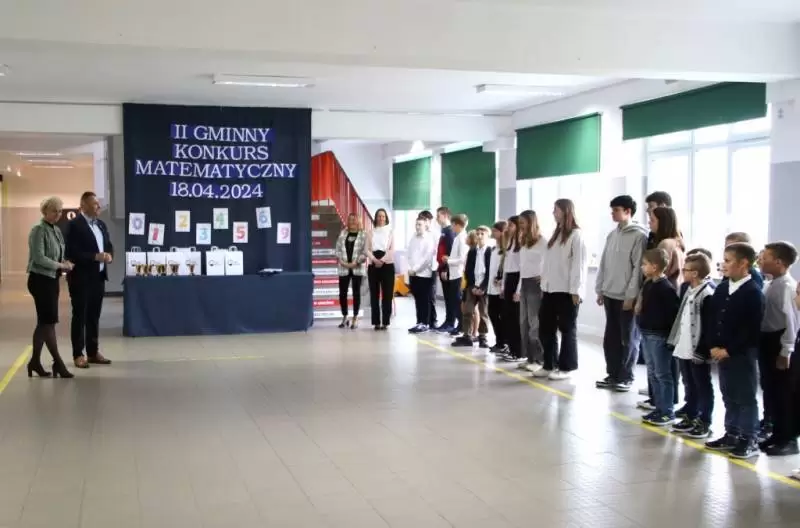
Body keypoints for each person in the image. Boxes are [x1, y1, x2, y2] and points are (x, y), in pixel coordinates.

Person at [705, 242, 765, 459]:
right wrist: (713, 345)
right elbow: (712, 319)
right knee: (728, 393)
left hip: (740, 354)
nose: (724, 265)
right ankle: (732, 433)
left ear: (743, 263)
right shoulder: (722, 288)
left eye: (728, 261)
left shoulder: (753, 293)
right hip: (720, 352)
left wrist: (729, 349)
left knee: (745, 396)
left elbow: (751, 329)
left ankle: (749, 438)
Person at [595, 195, 647, 392]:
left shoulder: (639, 236)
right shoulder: (612, 235)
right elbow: (604, 263)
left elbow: (638, 269)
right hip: (610, 293)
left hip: (626, 297)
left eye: (616, 210)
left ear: (627, 211)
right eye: (612, 210)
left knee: (628, 339)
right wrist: (600, 289)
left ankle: (626, 377)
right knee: (611, 339)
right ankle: (613, 374)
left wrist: (631, 295)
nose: (613, 213)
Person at [535, 199, 587, 380]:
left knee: (567, 329)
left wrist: (576, 290)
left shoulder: (576, 235)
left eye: (556, 210)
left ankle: (567, 368)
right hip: (550, 290)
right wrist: (544, 284)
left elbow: (579, 265)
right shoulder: (556, 235)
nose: (553, 213)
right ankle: (549, 364)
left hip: (567, 291)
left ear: (566, 211)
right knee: (545, 328)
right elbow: (549, 263)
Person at [757, 241, 799, 456]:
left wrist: (786, 350)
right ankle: (776, 433)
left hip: (779, 341)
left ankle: (788, 439)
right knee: (770, 390)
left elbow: (792, 321)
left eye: (765, 258)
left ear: (779, 262)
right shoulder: (770, 283)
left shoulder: (787, 287)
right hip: (767, 340)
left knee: (784, 393)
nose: (760, 261)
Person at [667, 253, 716, 438]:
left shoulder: (707, 294)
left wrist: (702, 350)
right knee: (689, 382)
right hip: (684, 345)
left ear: (695, 273)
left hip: (697, 349)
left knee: (702, 385)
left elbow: (708, 326)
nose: (683, 272)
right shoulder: (688, 289)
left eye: (685, 270)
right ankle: (691, 413)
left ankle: (704, 420)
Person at [26, 197, 74, 379]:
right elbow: (38, 258)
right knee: (48, 323)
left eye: (60, 211)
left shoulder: (56, 230)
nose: (58, 214)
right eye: (55, 211)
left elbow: (57, 254)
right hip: (40, 280)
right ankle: (58, 363)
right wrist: (61, 266)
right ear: (45, 211)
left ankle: (35, 362)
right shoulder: (38, 230)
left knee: (45, 323)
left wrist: (64, 262)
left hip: (52, 279)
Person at [65, 191, 114, 368]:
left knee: (94, 316)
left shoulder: (100, 224)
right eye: (95, 204)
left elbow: (108, 245)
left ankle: (93, 352)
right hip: (81, 278)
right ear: (83, 206)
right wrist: (94, 256)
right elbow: (71, 252)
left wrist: (109, 255)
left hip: (98, 278)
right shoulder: (74, 225)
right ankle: (78, 354)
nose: (99, 206)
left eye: (98, 204)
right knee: (80, 316)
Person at [638, 248, 681, 426]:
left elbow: (673, 315)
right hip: (647, 333)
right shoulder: (649, 284)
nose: (642, 267)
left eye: (645, 264)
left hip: (659, 336)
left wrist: (669, 339)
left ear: (655, 266)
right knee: (652, 372)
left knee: (662, 374)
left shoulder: (666, 288)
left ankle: (667, 410)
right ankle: (658, 406)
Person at [517, 210, 548, 374]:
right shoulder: (523, 241)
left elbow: (548, 263)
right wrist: (518, 288)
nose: (520, 225)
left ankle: (539, 359)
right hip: (524, 283)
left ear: (531, 222)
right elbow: (522, 267)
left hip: (536, 285)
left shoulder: (542, 242)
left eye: (523, 222)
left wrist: (543, 280)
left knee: (534, 323)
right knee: (524, 322)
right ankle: (529, 357)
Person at [453, 225, 491, 348]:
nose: (479, 236)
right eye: (477, 233)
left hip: (484, 287)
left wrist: (483, 287)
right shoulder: (473, 251)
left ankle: (482, 336)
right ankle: (467, 336)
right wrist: (472, 285)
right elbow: (468, 270)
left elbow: (490, 271)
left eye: (482, 234)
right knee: (467, 311)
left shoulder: (490, 251)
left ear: (487, 236)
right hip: (472, 286)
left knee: (483, 313)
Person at [335, 213, 367, 330]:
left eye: (354, 219)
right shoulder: (343, 233)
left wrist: (356, 262)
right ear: (347, 221)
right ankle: (345, 316)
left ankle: (355, 317)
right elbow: (337, 249)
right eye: (350, 219)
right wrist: (342, 262)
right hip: (343, 268)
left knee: (356, 293)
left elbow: (365, 252)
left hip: (357, 268)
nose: (352, 221)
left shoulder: (363, 234)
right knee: (342, 293)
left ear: (358, 221)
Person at [365, 208, 395, 330]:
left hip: (387, 264)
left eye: (383, 216)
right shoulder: (370, 232)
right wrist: (374, 259)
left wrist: (382, 260)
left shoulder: (390, 232)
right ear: (376, 218)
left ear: (386, 218)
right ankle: (376, 322)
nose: (381, 218)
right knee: (374, 295)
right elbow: (366, 249)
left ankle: (385, 322)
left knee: (387, 295)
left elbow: (392, 250)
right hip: (373, 264)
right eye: (379, 216)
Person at [440, 214, 469, 336]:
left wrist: (449, 260)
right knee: (454, 301)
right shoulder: (458, 237)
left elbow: (462, 259)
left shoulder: (462, 238)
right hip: (454, 273)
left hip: (458, 274)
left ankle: (462, 325)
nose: (452, 227)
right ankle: (460, 325)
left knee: (457, 301)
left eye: (453, 225)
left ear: (458, 225)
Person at [407, 217, 437, 334]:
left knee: (425, 300)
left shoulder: (429, 239)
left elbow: (427, 259)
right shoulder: (413, 237)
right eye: (416, 224)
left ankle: (425, 323)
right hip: (413, 273)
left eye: (420, 224)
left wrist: (415, 269)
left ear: (426, 226)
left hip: (424, 274)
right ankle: (419, 322)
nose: (417, 227)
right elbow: (409, 254)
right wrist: (411, 268)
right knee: (417, 299)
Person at [500, 216, 522, 362]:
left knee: (515, 318)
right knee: (508, 316)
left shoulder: (521, 244)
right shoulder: (510, 243)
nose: (508, 228)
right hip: (508, 280)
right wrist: (503, 285)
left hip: (516, 280)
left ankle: (519, 351)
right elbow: (506, 268)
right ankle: (512, 347)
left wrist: (518, 290)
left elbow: (522, 269)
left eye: (511, 225)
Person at [435, 207, 460, 333]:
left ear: (445, 215)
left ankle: (451, 322)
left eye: (438, 216)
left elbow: (450, 252)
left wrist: (445, 268)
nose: (436, 218)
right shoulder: (444, 230)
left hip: (448, 269)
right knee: (448, 297)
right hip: (442, 267)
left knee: (451, 298)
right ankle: (448, 320)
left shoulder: (450, 231)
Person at [648, 206, 685, 288]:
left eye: (652, 220)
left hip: (662, 289)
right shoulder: (677, 241)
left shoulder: (666, 244)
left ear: (662, 223)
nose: (649, 222)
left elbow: (658, 272)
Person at [487, 221, 507, 355]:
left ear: (502, 232)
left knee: (501, 316)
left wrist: (501, 280)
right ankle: (499, 340)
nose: (493, 233)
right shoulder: (494, 249)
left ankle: (504, 342)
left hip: (500, 288)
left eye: (495, 231)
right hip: (491, 288)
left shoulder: (505, 250)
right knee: (492, 314)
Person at [417, 210, 438, 328]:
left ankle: (433, 321)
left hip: (432, 268)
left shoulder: (434, 234)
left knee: (431, 295)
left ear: (429, 220)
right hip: (420, 268)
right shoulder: (419, 234)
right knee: (422, 296)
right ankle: (422, 321)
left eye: (424, 219)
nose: (422, 222)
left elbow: (435, 251)